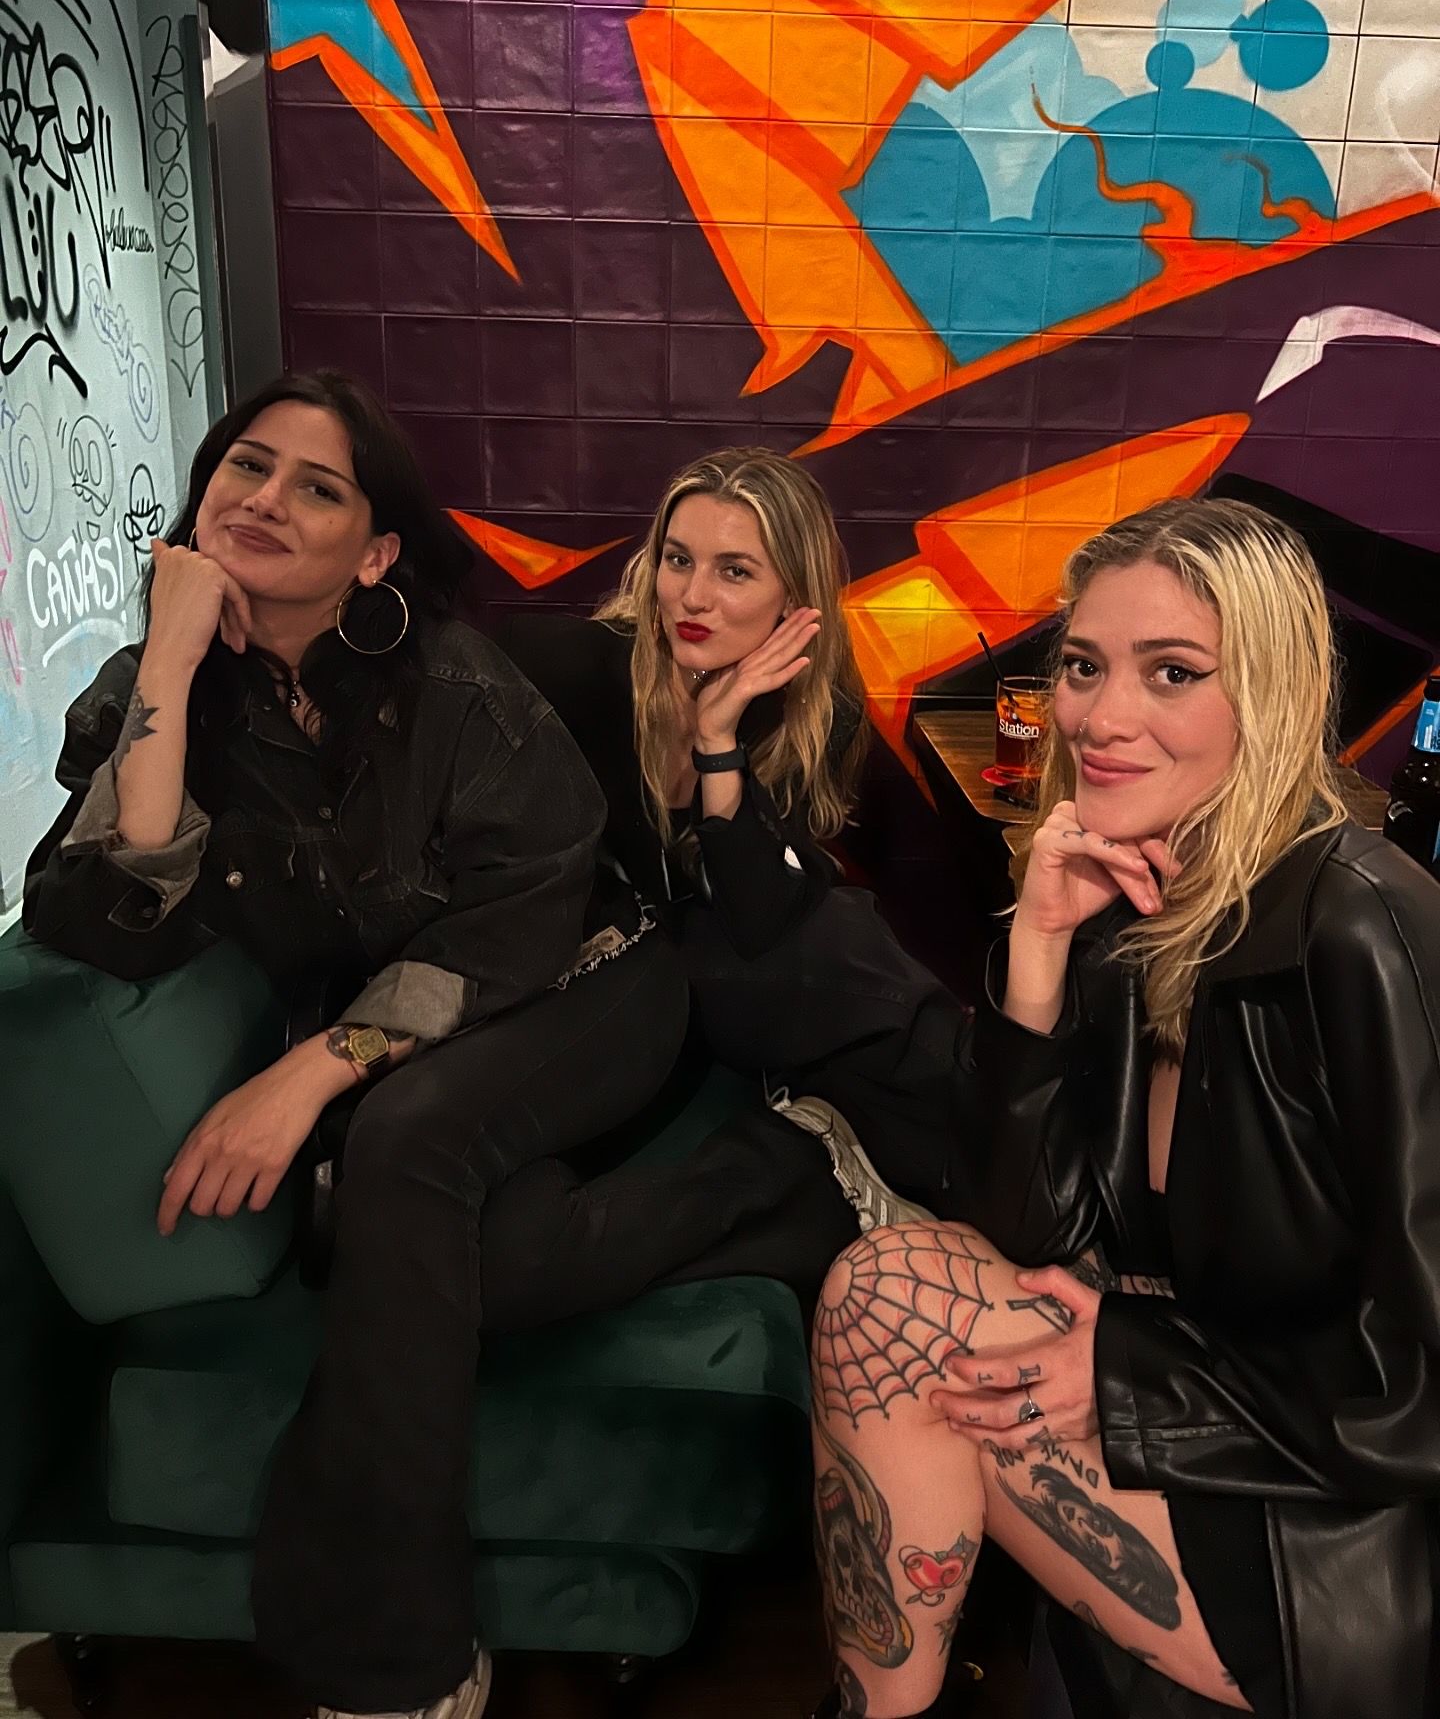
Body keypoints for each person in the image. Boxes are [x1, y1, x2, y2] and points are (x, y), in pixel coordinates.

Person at [23, 371, 690, 1719]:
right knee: (452, 1247)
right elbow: (108, 914)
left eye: (316, 487)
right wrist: (165, 657)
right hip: (416, 1027)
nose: (264, 499)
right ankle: (780, 1182)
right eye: (244, 469)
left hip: (586, 983)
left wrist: (312, 1068)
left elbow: (517, 930)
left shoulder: (455, 687)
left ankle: (396, 1661)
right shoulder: (164, 689)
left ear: (375, 551)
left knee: (406, 1144)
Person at [805, 497, 1440, 1719]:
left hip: (1329, 1543)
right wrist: (1037, 951)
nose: (1101, 717)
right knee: (887, 1292)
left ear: (1277, 693)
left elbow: (1417, 1375)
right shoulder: (1134, 896)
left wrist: (1136, 1367)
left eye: (1174, 673)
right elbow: (1025, 1231)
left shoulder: (1367, 925)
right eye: (1086, 667)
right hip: (1204, 1442)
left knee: (883, 1302)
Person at [489, 447, 970, 1312]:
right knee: (838, 948)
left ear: (794, 597)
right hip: (583, 988)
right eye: (678, 560)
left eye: (734, 571)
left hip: (710, 995)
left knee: (842, 945)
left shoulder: (810, 708)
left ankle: (950, 1156)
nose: (692, 598)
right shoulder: (568, 671)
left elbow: (757, 910)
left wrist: (719, 744)